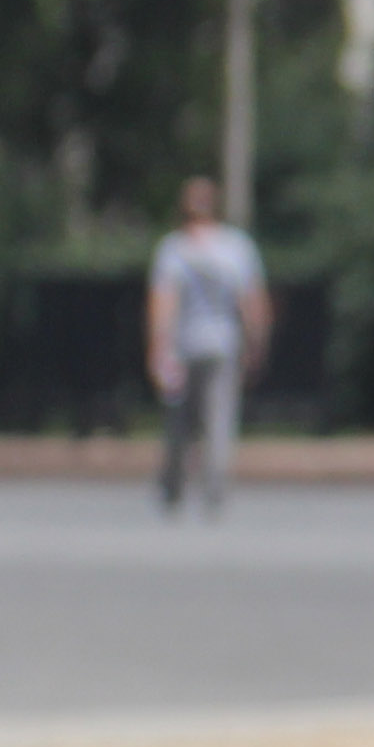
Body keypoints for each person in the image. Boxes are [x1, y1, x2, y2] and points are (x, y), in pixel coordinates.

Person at [146, 177, 270, 516]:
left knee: (198, 421)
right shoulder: (223, 247)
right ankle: (193, 486)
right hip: (200, 345)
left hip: (205, 345)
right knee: (199, 421)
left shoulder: (187, 247)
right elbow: (251, 300)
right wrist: (257, 341)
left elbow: (249, 300)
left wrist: (256, 340)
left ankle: (195, 487)